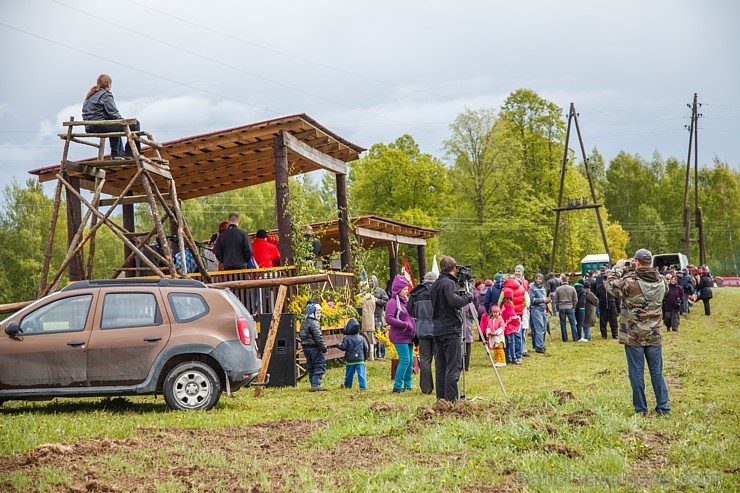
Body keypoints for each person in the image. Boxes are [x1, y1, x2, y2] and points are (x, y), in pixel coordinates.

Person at [606, 248, 670, 416]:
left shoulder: (630, 282)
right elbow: (667, 291)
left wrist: (618, 268)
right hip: (655, 333)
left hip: (634, 335)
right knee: (657, 372)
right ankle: (663, 407)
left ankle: (641, 409)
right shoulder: (662, 280)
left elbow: (611, 286)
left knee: (636, 373)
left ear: (637, 262)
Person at [430, 256, 474, 402]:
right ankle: (451, 400)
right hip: (450, 328)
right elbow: (454, 301)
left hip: (438, 328)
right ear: (453, 269)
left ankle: (441, 399)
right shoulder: (448, 283)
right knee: (452, 366)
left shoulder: (435, 284)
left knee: (441, 366)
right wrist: (467, 297)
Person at [82, 74, 141, 160]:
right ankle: (130, 153)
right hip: (99, 126)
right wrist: (125, 122)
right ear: (109, 84)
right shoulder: (105, 95)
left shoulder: (90, 95)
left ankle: (118, 154)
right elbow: (113, 113)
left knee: (114, 125)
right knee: (135, 124)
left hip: (89, 127)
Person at [408, 271, 438, 395]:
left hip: (422, 329)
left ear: (424, 280)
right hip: (437, 329)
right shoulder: (438, 291)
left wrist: (420, 317)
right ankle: (441, 386)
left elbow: (410, 310)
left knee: (425, 360)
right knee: (439, 359)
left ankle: (426, 388)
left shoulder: (416, 293)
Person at [386, 275, 416, 393]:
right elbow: (388, 319)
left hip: (409, 336)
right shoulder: (392, 303)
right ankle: (397, 386)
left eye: (406, 289)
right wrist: (404, 325)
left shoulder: (406, 302)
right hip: (399, 336)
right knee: (405, 360)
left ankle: (408, 385)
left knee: (410, 361)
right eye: (404, 289)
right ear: (398, 290)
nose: (406, 291)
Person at [298, 303, 327, 392]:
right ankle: (316, 383)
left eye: (320, 313)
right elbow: (318, 337)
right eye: (317, 313)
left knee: (311, 366)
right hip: (314, 347)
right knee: (319, 364)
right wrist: (323, 348)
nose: (319, 315)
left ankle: (313, 382)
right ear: (312, 313)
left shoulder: (304, 322)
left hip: (306, 348)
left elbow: (301, 335)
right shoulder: (314, 323)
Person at [336, 318, 368, 390]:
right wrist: (364, 357)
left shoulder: (347, 338)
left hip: (350, 360)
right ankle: (363, 387)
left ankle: (348, 385)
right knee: (361, 374)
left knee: (349, 374)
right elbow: (365, 348)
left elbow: (344, 347)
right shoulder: (361, 338)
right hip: (360, 359)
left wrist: (338, 345)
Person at [595, 267, 619, 339]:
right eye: (604, 280)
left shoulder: (612, 288)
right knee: (603, 322)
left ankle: (615, 334)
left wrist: (618, 308)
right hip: (603, 305)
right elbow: (597, 297)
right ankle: (604, 335)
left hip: (611, 305)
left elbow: (617, 298)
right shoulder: (599, 288)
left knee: (613, 321)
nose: (604, 281)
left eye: (606, 280)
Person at [529, 273, 550, 353]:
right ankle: (539, 347)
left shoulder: (544, 288)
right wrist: (542, 300)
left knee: (544, 328)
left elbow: (545, 299)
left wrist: (547, 300)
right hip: (536, 309)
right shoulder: (532, 288)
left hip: (543, 309)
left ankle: (541, 344)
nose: (538, 280)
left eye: (540, 279)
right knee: (539, 328)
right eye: (537, 279)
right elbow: (532, 300)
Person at [554, 275, 578, 342]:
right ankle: (575, 338)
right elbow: (575, 299)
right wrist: (574, 307)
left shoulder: (558, 289)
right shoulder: (572, 288)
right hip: (570, 307)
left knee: (563, 324)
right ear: (567, 280)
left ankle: (565, 338)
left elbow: (556, 300)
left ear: (562, 281)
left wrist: (557, 307)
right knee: (573, 323)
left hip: (562, 307)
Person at [501, 289, 522, 365]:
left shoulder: (503, 305)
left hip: (505, 326)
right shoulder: (509, 304)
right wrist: (517, 321)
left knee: (507, 343)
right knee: (512, 343)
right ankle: (513, 358)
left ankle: (507, 358)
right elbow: (512, 315)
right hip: (510, 327)